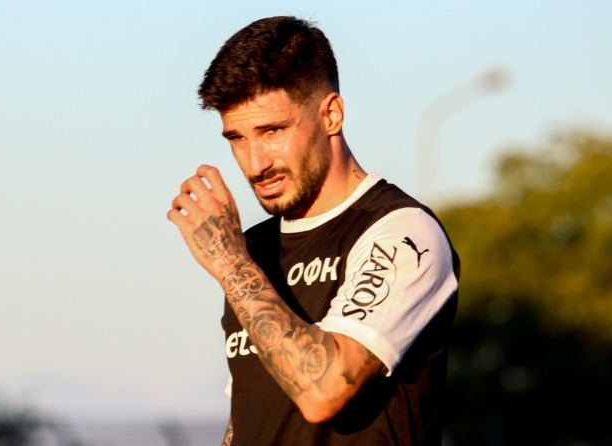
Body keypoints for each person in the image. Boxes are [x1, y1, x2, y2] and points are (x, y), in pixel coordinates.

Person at [167, 16, 460, 446]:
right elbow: (251, 414)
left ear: (331, 115)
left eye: (272, 131)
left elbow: (326, 390)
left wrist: (229, 264)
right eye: (237, 138)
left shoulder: (403, 232)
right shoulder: (254, 250)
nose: (255, 163)